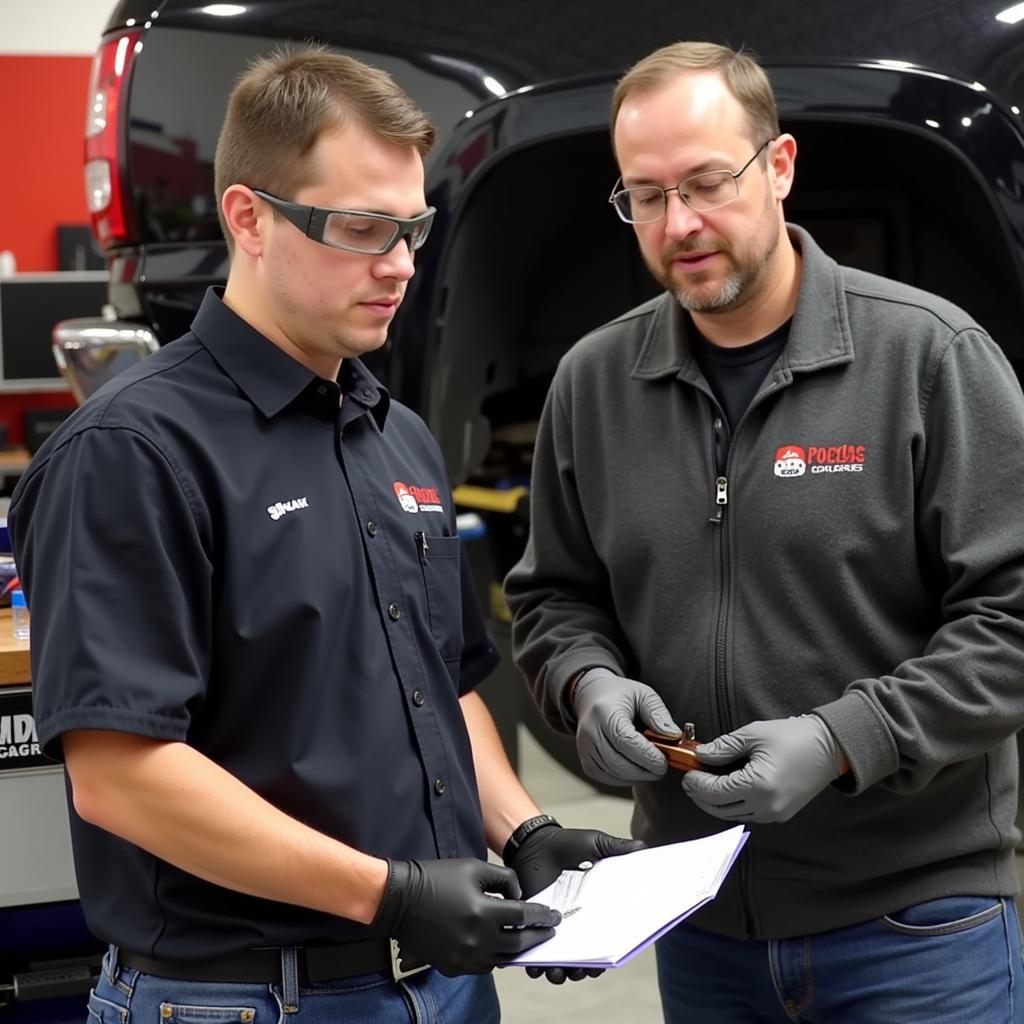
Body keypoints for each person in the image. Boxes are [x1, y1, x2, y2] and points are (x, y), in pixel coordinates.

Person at [9, 45, 642, 1024]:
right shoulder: (131, 451)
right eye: (360, 228)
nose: (398, 263)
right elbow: (121, 775)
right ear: (248, 218)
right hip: (250, 1000)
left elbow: (445, 682)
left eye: (412, 227)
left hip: (441, 986)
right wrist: (386, 893)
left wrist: (525, 834)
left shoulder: (397, 433)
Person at [504, 39, 1024, 1023]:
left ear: (778, 166)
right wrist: (587, 682)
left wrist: (840, 738)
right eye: (644, 196)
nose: (679, 224)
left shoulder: (929, 360)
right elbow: (552, 598)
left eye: (704, 183)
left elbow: (1011, 622)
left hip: (915, 925)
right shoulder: (592, 385)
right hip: (700, 922)